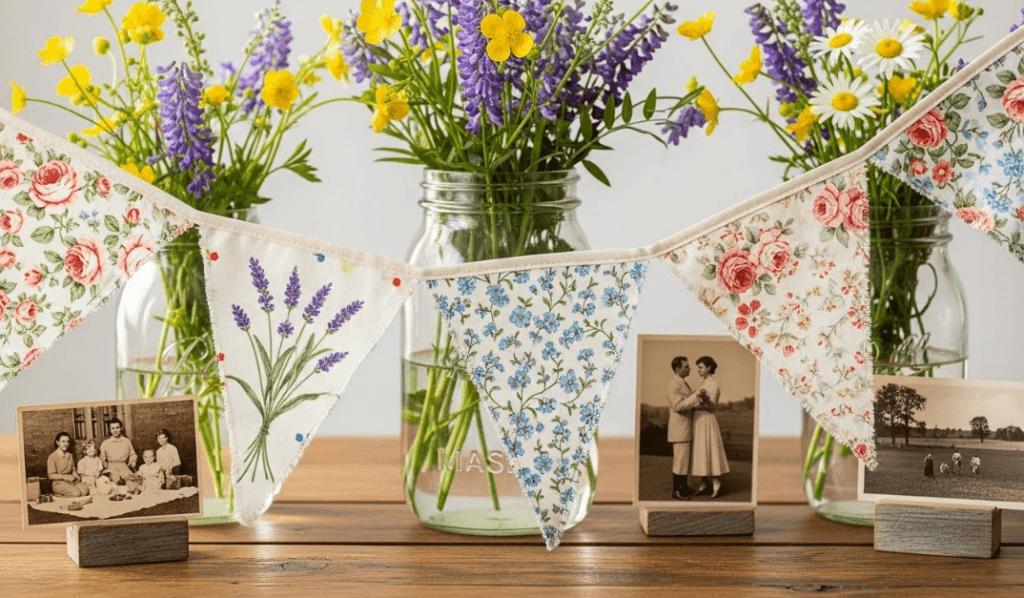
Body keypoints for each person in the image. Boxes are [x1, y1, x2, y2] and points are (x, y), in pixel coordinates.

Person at [689, 356, 730, 499]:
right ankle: (704, 484)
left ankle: (716, 484)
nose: (698, 370)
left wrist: (705, 399)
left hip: (707, 419)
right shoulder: (702, 383)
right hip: (698, 421)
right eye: (698, 368)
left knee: (710, 450)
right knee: (701, 451)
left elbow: (713, 407)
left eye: (701, 367)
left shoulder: (713, 384)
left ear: (709, 368)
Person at [666, 356, 704, 501]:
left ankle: (684, 487)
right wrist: (695, 397)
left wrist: (697, 400)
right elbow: (678, 406)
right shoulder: (673, 385)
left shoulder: (683, 383)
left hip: (685, 428)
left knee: (685, 461)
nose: (689, 369)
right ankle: (676, 491)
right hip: (680, 429)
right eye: (686, 367)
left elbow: (687, 404)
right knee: (680, 461)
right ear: (677, 369)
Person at [47, 432, 89, 498]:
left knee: (85, 490)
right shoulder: (52, 457)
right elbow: (51, 475)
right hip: (58, 483)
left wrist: (77, 477)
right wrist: (66, 477)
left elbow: (73, 470)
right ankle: (58, 495)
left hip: (70, 481)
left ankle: (71, 492)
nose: (66, 444)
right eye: (63, 441)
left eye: (67, 442)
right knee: (76, 493)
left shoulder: (70, 455)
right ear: (57, 442)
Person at [99, 418, 138, 488]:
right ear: (110, 430)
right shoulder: (105, 443)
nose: (115, 430)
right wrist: (105, 465)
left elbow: (132, 454)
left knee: (132, 483)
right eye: (113, 428)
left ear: (121, 428)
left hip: (123, 466)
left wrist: (133, 462)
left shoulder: (127, 441)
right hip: (111, 467)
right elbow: (102, 458)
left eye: (117, 428)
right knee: (115, 483)